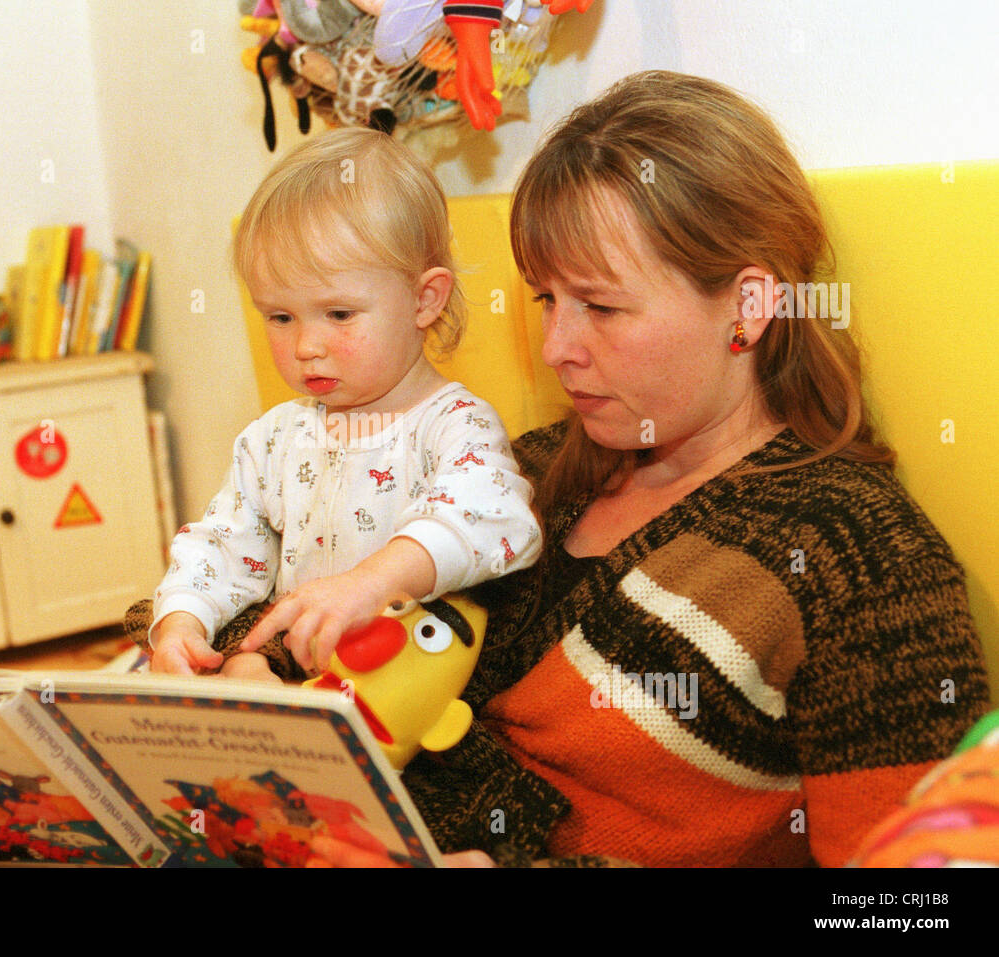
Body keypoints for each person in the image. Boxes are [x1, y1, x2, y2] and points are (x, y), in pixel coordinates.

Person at [207, 71, 991, 867]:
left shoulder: (857, 554)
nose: (557, 349)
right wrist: (246, 664)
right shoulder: (523, 475)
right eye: (548, 300)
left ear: (749, 306)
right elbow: (314, 587)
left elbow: (912, 901)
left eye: (603, 307)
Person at [135, 127, 542, 682]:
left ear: (425, 299)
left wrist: (370, 583)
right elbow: (224, 542)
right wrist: (181, 623)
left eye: (340, 314)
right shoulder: (274, 438)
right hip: (301, 665)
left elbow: (495, 520)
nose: (305, 346)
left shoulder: (454, 425)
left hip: (401, 673)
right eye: (280, 317)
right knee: (238, 666)